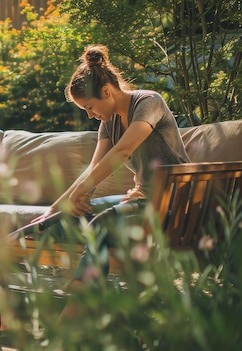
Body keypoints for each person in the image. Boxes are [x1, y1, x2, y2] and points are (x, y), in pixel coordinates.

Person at [35, 44, 190, 315]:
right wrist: (54, 209)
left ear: (106, 92)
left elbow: (123, 150)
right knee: (65, 220)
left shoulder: (149, 102)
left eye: (90, 106)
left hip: (173, 202)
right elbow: (93, 166)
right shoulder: (109, 122)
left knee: (102, 222)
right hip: (143, 201)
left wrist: (79, 194)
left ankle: (76, 312)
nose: (89, 114)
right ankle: (96, 306)